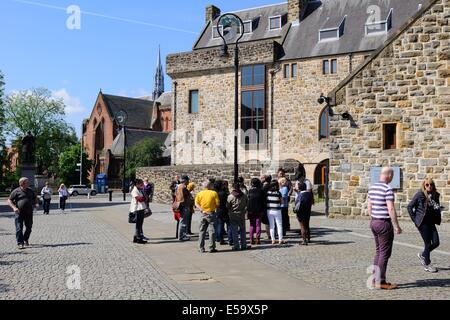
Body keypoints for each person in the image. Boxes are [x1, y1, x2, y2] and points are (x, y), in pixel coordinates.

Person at [367, 167, 402, 290]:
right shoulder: (387, 189)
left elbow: (369, 206)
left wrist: (372, 219)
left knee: (378, 251)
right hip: (384, 224)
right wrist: (396, 226)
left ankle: (374, 279)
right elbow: (391, 209)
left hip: (374, 222)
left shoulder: (372, 187)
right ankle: (380, 281)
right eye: (391, 176)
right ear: (389, 176)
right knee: (384, 253)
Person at [408, 178, 442, 273]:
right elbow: (410, 206)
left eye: (431, 184)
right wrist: (415, 220)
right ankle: (427, 264)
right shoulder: (420, 194)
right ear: (424, 185)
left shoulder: (436, 195)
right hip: (422, 223)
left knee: (436, 242)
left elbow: (436, 207)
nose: (429, 186)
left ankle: (423, 255)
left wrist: (438, 209)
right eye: (427, 185)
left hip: (431, 222)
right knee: (427, 244)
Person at [7, 178, 39, 250]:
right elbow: (9, 200)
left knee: (29, 228)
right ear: (22, 183)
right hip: (19, 213)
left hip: (29, 213)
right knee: (19, 228)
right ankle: (20, 243)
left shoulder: (30, 190)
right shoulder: (16, 191)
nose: (28, 183)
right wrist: (14, 208)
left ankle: (25, 239)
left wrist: (36, 203)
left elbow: (35, 197)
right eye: (26, 182)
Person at [195, 180, 220, 253]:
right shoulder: (214, 193)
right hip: (211, 213)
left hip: (203, 213)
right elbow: (218, 204)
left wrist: (201, 210)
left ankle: (201, 248)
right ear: (210, 186)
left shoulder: (200, 193)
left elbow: (196, 203)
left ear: (204, 186)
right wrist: (214, 208)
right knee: (212, 231)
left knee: (202, 231)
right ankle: (211, 247)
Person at [227, 182, 249, 251]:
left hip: (233, 214)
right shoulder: (244, 195)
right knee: (242, 230)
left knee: (234, 231)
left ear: (233, 187)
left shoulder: (230, 196)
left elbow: (228, 206)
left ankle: (236, 246)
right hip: (241, 214)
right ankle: (243, 245)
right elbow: (247, 204)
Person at [266, 180, 286, 245]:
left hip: (269, 210)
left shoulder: (268, 192)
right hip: (277, 210)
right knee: (279, 225)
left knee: (272, 226)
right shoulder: (278, 193)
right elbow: (282, 202)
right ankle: (280, 240)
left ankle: (273, 240)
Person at [130, 179, 149, 244]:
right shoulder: (134, 190)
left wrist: (144, 197)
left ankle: (136, 237)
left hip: (141, 208)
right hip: (138, 209)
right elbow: (140, 199)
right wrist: (144, 197)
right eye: (140, 183)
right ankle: (138, 239)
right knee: (138, 224)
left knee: (140, 224)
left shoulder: (139, 189)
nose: (141, 184)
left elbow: (144, 197)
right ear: (136, 184)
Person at [247, 178, 264, 245]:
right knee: (258, 225)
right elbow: (263, 201)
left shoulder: (250, 191)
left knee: (251, 225)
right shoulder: (260, 191)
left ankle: (251, 239)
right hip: (259, 210)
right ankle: (258, 239)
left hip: (251, 210)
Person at [175, 176, 192, 242]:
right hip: (184, 206)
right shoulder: (182, 187)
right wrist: (189, 202)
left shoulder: (179, 186)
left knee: (183, 221)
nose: (188, 181)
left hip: (183, 206)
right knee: (183, 222)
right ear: (185, 180)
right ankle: (181, 236)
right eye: (188, 180)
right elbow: (181, 198)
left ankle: (182, 236)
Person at [215, 180, 232, 246]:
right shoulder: (224, 193)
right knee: (229, 225)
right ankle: (230, 239)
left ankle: (220, 239)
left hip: (219, 210)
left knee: (220, 225)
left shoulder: (216, 193)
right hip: (225, 209)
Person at [261, 174, 272, 240]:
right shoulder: (271, 186)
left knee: (267, 222)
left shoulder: (264, 187)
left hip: (266, 205)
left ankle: (269, 235)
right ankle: (271, 233)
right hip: (271, 205)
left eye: (262, 178)